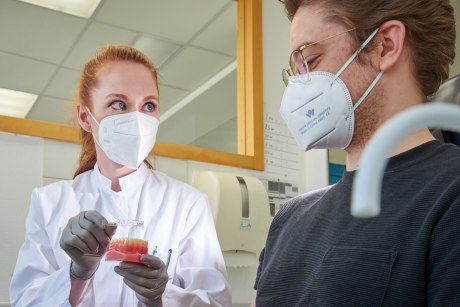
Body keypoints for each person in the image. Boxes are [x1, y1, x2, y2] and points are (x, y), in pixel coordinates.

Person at [252, 0, 460, 306]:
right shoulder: (288, 219)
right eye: (295, 70)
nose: (298, 84)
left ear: (385, 46)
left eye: (310, 59)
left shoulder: (449, 196)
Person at [10, 45, 231, 307]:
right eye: (119, 104)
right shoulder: (49, 202)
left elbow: (217, 303)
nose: (137, 119)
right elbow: (25, 300)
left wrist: (163, 297)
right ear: (85, 117)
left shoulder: (187, 204)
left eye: (149, 105)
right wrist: (76, 275)